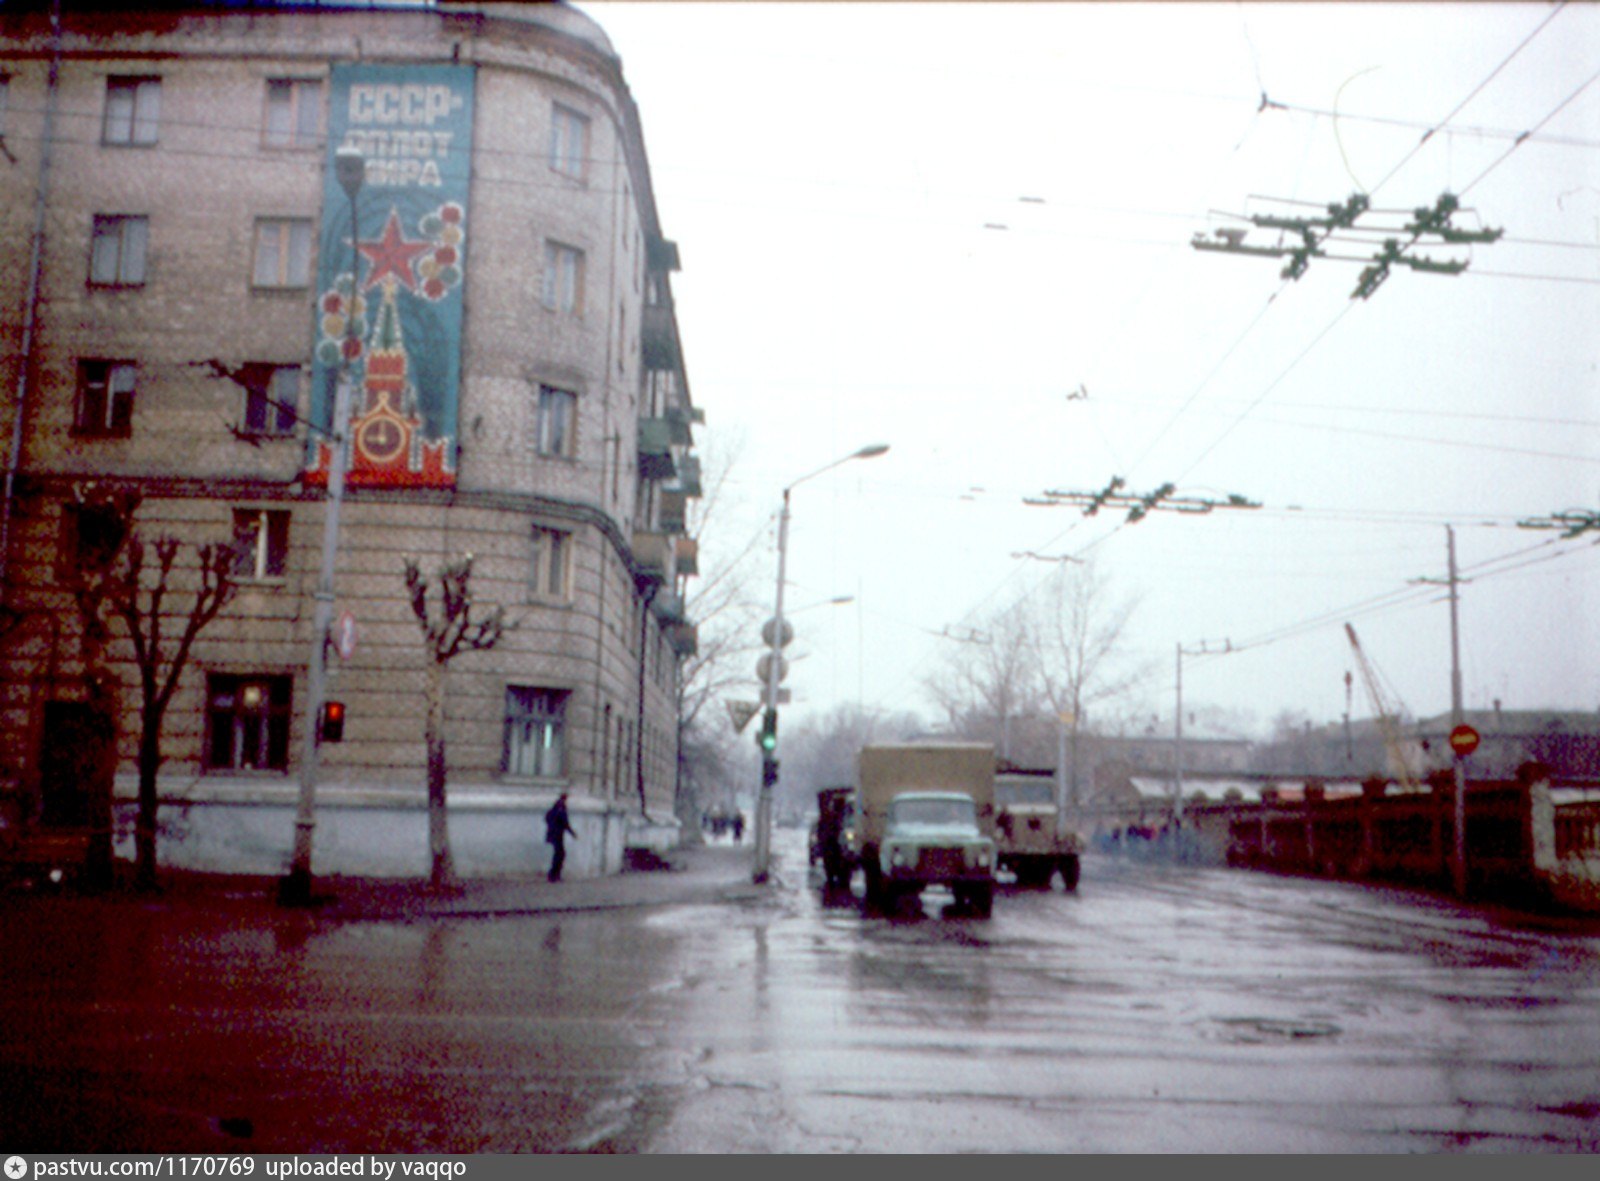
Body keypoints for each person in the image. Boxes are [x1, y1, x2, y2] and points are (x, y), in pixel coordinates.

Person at [544, 792, 577, 882]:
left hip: (555, 833)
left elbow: (547, 818)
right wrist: (572, 833)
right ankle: (554, 874)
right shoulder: (561, 808)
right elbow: (565, 823)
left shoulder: (556, 807)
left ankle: (554, 874)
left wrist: (551, 827)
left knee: (559, 854)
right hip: (557, 834)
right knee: (560, 854)